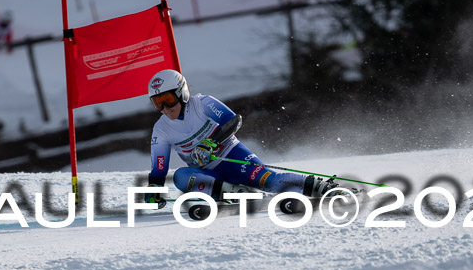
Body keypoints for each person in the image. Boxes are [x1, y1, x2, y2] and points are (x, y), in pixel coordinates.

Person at [144, 69, 338, 208]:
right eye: (158, 103)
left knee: (269, 181)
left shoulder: (203, 103)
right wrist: (154, 189)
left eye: (168, 100)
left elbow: (233, 121)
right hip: (207, 172)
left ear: (182, 92)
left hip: (232, 156)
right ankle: (234, 194)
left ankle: (320, 186)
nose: (165, 108)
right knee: (180, 176)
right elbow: (159, 168)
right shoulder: (161, 129)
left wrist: (210, 143)